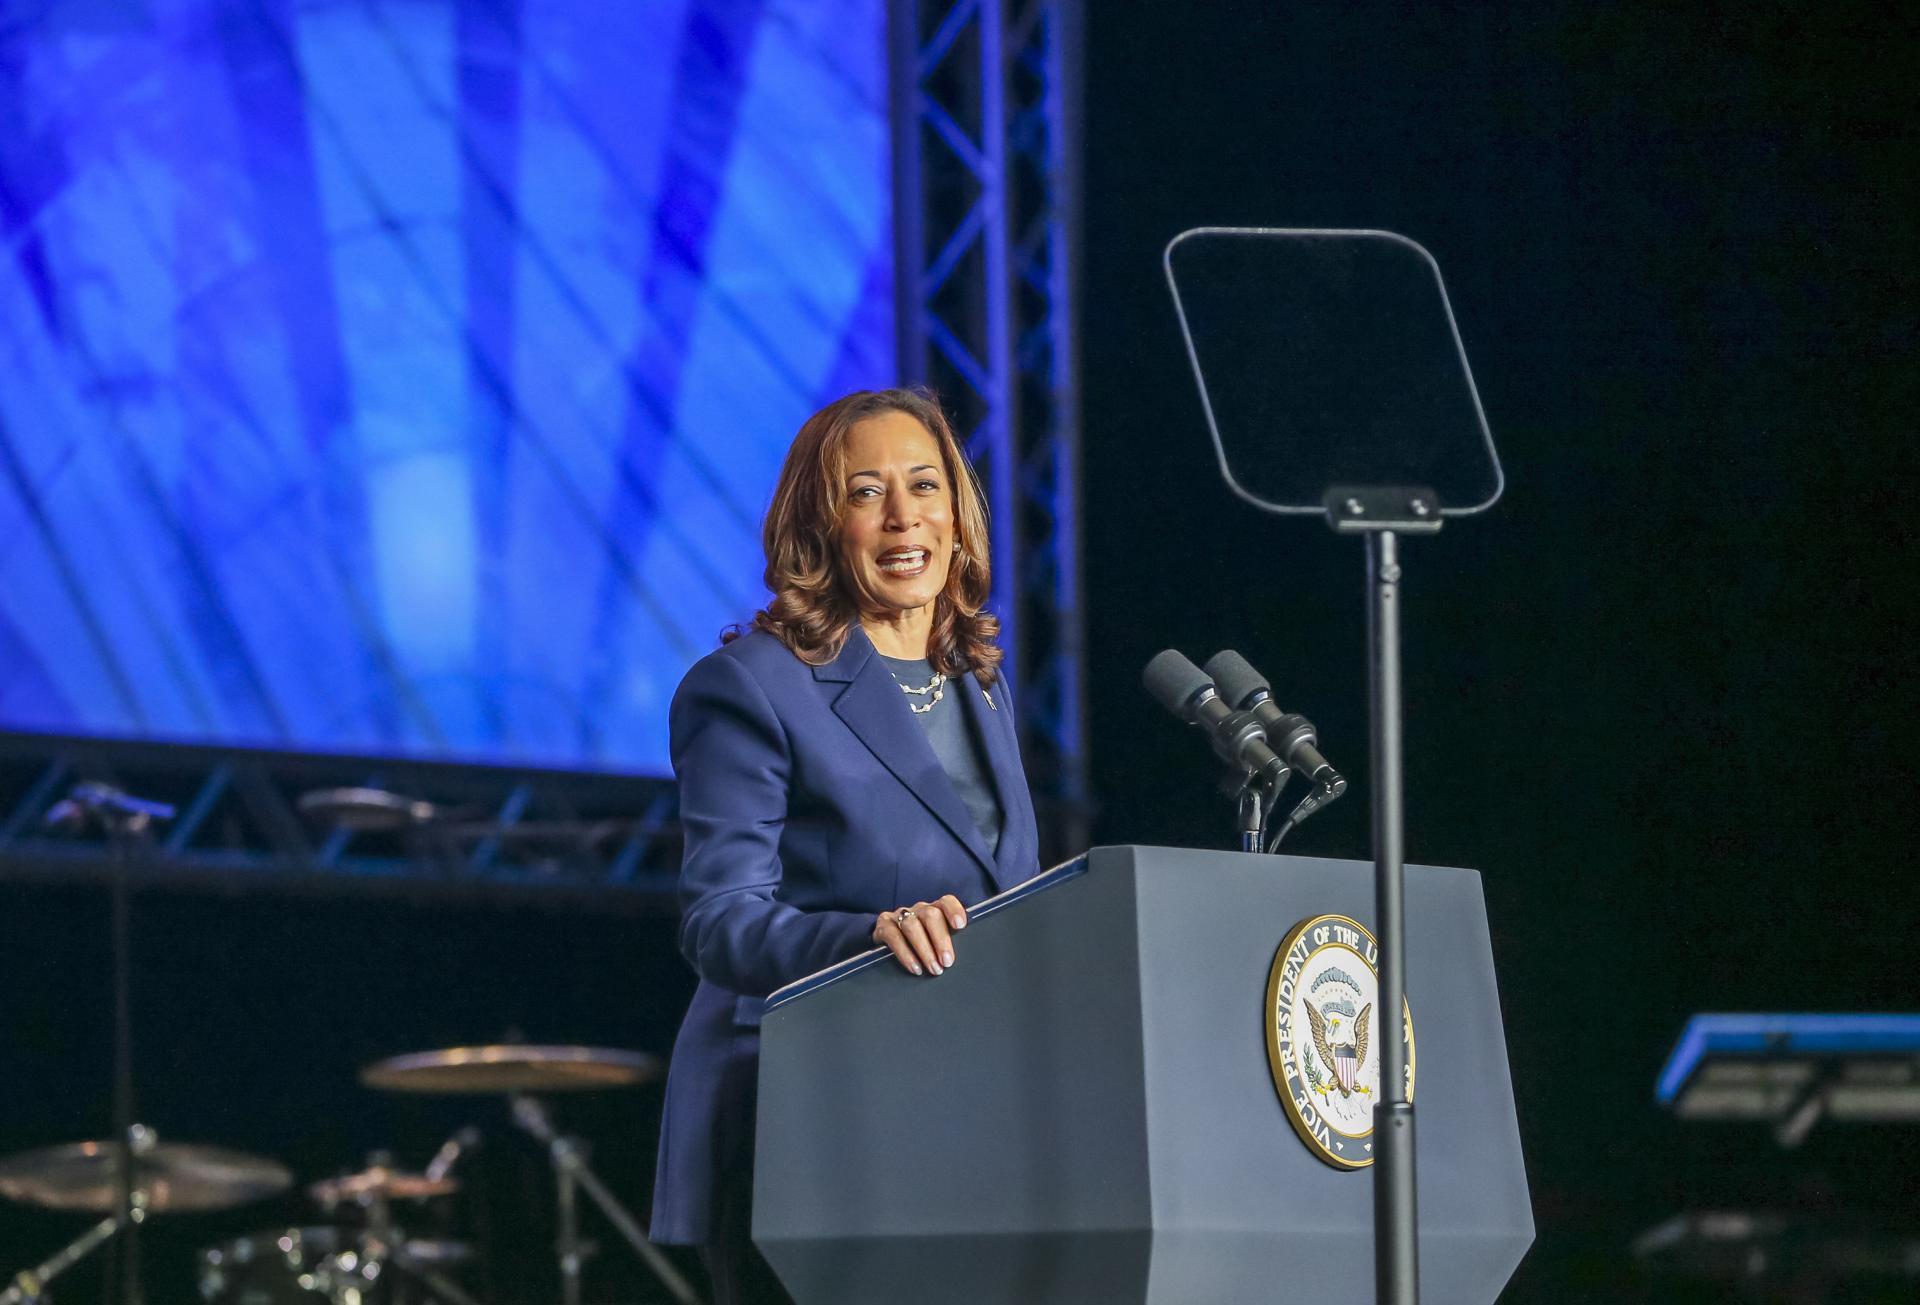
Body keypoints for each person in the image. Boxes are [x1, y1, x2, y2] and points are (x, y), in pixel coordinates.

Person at [649, 388, 1041, 1304]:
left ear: (959, 512)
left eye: (926, 485)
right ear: (820, 524)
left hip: (959, 1111)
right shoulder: (750, 686)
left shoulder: (976, 678)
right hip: (801, 1111)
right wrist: (867, 935)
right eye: (866, 492)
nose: (905, 517)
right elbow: (720, 920)